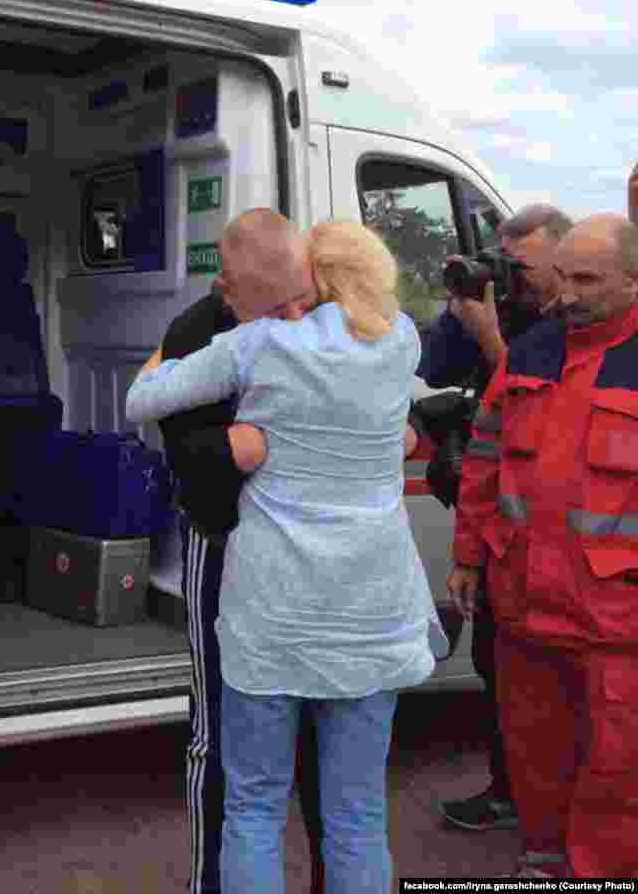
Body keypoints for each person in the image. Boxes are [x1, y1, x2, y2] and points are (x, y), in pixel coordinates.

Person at [127, 220, 444, 894]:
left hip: (272, 616)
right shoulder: (401, 342)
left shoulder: (261, 344)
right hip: (373, 615)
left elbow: (143, 401)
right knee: (357, 816)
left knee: (253, 808)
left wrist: (163, 356)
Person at [448, 214, 638, 879]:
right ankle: (543, 864)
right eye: (564, 278)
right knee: (535, 763)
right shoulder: (531, 351)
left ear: (634, 280)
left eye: (588, 279)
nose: (570, 295)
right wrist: (468, 555)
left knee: (618, 776)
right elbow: (484, 456)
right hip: (526, 608)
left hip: (618, 623)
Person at [155, 208, 325, 894]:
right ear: (229, 290)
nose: (292, 319)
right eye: (274, 306)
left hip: (314, 556)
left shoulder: (329, 314)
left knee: (323, 729)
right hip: (224, 544)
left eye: (301, 301)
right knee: (219, 730)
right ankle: (211, 884)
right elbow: (182, 450)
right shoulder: (195, 332)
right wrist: (238, 448)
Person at [418, 204, 572, 833]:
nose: (512, 277)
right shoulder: (495, 309)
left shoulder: (581, 325)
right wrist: (461, 318)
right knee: (496, 665)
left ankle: (563, 813)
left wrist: (490, 339)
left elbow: (549, 411)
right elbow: (428, 380)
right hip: (496, 525)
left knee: (567, 684)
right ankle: (511, 792)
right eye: (503, 261)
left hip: (560, 537)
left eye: (523, 265)